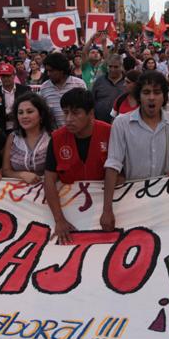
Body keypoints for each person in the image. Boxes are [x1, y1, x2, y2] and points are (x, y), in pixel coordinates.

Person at [101, 70, 169, 231]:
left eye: (157, 92)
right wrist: (107, 210)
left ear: (164, 96)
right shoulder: (121, 123)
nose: (151, 97)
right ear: (139, 96)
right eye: (146, 92)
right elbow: (113, 164)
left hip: (164, 198)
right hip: (133, 199)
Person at [44, 88, 111, 244]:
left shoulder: (110, 133)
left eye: (75, 113)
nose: (68, 119)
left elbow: (121, 176)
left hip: (104, 214)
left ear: (91, 113)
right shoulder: (56, 138)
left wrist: (108, 209)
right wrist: (59, 220)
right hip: (70, 215)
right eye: (65, 112)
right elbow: (48, 180)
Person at [2, 93, 53, 183]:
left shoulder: (52, 137)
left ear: (41, 115)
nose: (24, 116)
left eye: (30, 112)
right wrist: (21, 175)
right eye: (20, 113)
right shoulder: (12, 138)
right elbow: (6, 171)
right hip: (17, 194)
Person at [38, 52, 87, 127]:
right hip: (55, 134)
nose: (48, 74)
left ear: (61, 70)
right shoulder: (44, 87)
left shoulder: (79, 84)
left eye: (51, 71)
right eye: (47, 71)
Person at [0, 63, 30, 134]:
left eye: (8, 76)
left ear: (14, 75)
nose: (6, 79)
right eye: (3, 76)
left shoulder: (24, 90)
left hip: (22, 127)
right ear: (0, 77)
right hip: (3, 130)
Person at [93, 55, 125, 123]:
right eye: (110, 66)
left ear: (121, 67)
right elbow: (92, 100)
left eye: (116, 67)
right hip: (101, 122)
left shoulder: (127, 82)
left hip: (122, 124)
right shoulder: (99, 81)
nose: (112, 69)